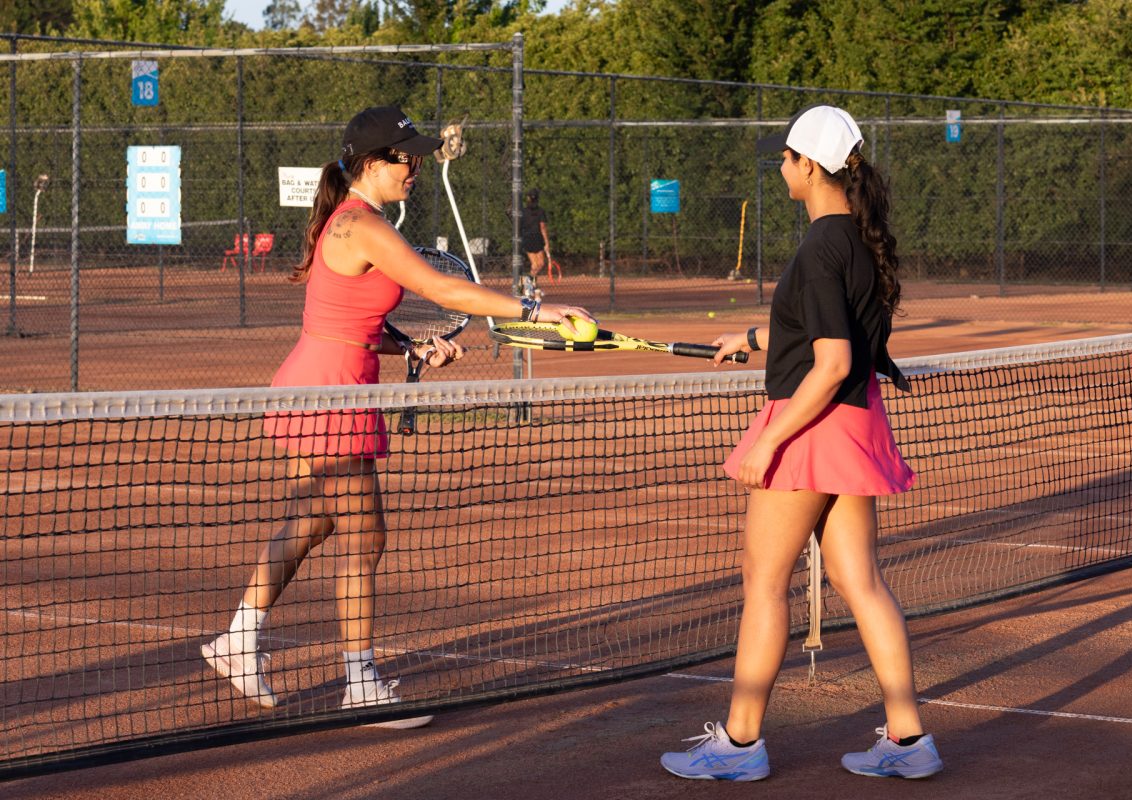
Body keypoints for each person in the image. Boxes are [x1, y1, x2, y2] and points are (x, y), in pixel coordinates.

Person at [202, 105, 594, 726]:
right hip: (329, 391)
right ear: (369, 163)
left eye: (415, 157)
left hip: (330, 378)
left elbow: (352, 321)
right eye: (403, 158)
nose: (415, 167)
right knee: (365, 535)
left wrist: (409, 347)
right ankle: (360, 685)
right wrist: (534, 310)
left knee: (315, 520)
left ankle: (237, 640)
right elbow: (447, 292)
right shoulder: (361, 224)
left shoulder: (355, 220)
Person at [659, 105, 942, 781]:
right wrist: (756, 340)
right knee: (861, 581)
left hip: (812, 427)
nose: (781, 167)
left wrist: (768, 443)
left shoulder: (818, 247)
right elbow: (829, 331)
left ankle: (740, 743)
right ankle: (909, 742)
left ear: (808, 166)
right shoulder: (853, 241)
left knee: (764, 582)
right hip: (854, 426)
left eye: (786, 158)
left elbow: (834, 360)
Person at [519, 188, 551, 294]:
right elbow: (542, 227)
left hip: (529, 238)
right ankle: (528, 281)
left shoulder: (524, 212)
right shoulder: (539, 211)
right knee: (539, 264)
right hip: (535, 238)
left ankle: (531, 285)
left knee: (536, 264)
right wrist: (546, 242)